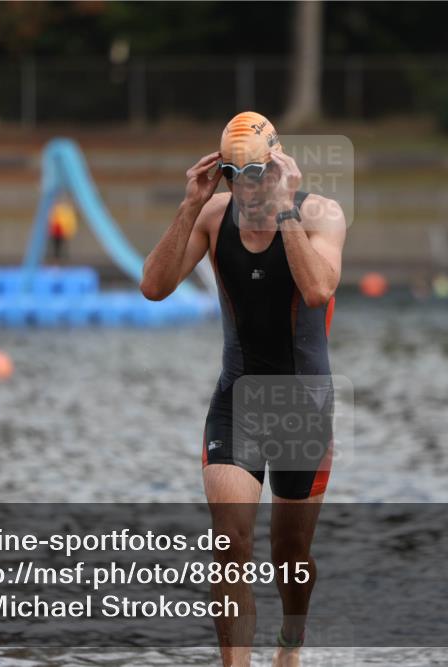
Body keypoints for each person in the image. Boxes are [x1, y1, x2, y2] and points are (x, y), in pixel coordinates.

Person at [141, 111, 347, 667]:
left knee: (289, 557)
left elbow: (317, 290)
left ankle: (292, 641)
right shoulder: (212, 216)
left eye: (257, 175)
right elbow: (154, 287)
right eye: (236, 177)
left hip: (304, 405)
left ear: (278, 168)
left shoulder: (322, 215)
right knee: (229, 545)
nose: (246, 189)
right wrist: (189, 205)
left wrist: (284, 210)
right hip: (238, 400)